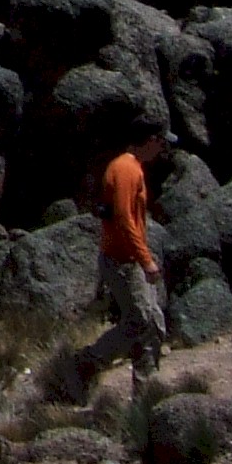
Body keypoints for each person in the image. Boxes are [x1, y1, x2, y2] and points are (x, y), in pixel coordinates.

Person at [86, 132, 174, 393]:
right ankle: (89, 362)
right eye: (161, 143)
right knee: (140, 320)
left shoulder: (133, 168)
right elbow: (125, 219)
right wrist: (145, 260)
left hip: (132, 258)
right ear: (150, 140)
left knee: (154, 323)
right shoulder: (126, 168)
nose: (162, 150)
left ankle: (145, 389)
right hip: (124, 260)